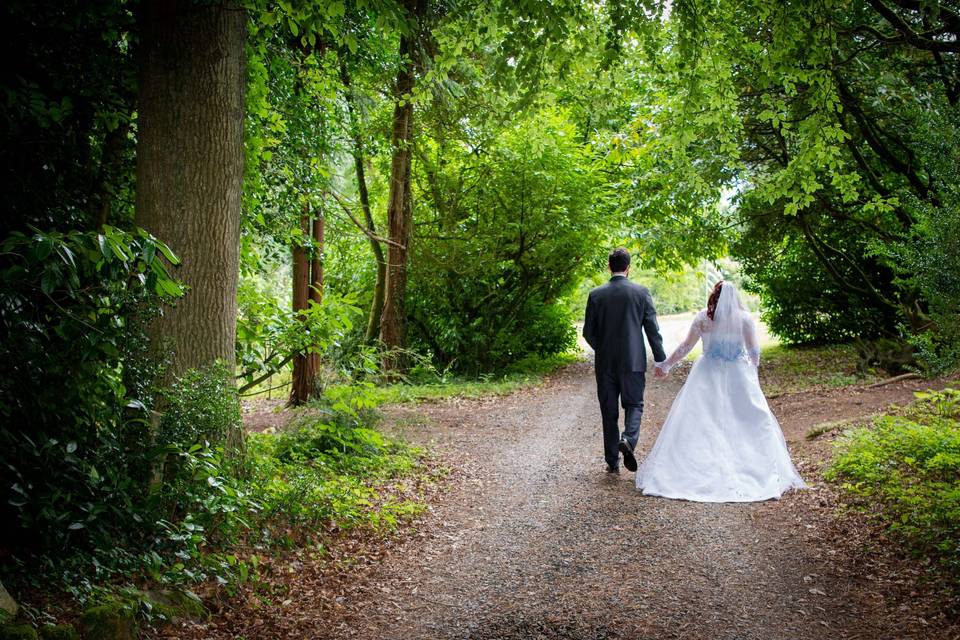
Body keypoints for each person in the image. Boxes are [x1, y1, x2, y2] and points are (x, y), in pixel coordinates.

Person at [637, 281, 806, 502]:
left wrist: (667, 364)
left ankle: (696, 467)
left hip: (707, 372)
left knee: (701, 420)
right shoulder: (744, 319)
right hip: (738, 374)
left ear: (714, 296)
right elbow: (754, 350)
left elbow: (685, 347)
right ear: (734, 297)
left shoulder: (703, 318)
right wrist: (752, 373)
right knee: (746, 418)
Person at [583, 248, 666, 474]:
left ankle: (612, 461)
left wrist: (603, 349)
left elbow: (588, 332)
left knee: (608, 411)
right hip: (633, 361)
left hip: (605, 363)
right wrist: (661, 359)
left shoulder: (596, 295)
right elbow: (652, 330)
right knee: (634, 404)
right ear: (628, 268)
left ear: (609, 267)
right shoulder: (641, 292)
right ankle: (628, 439)